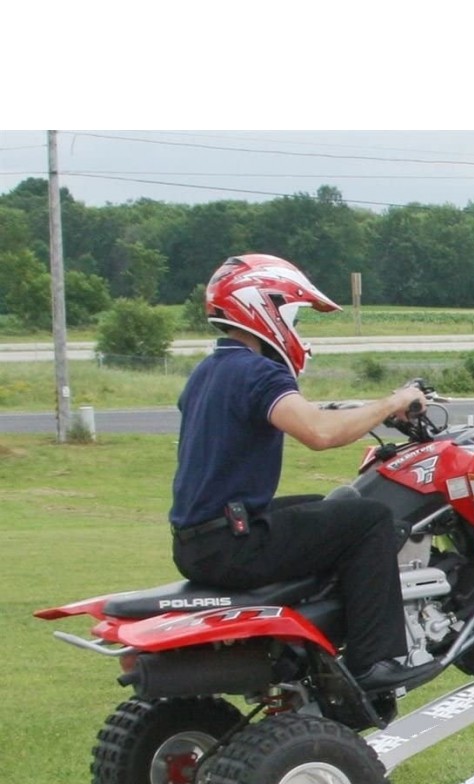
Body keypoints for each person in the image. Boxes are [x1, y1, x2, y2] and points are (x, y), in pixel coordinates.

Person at [169, 253, 422, 691]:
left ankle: (321, 633)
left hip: (197, 541)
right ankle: (373, 663)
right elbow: (320, 434)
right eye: (295, 315)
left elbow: (292, 413)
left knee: (319, 507)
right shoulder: (258, 372)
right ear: (266, 308)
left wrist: (359, 408)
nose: (296, 328)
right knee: (369, 520)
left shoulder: (210, 371)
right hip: (232, 545)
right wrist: (392, 403)